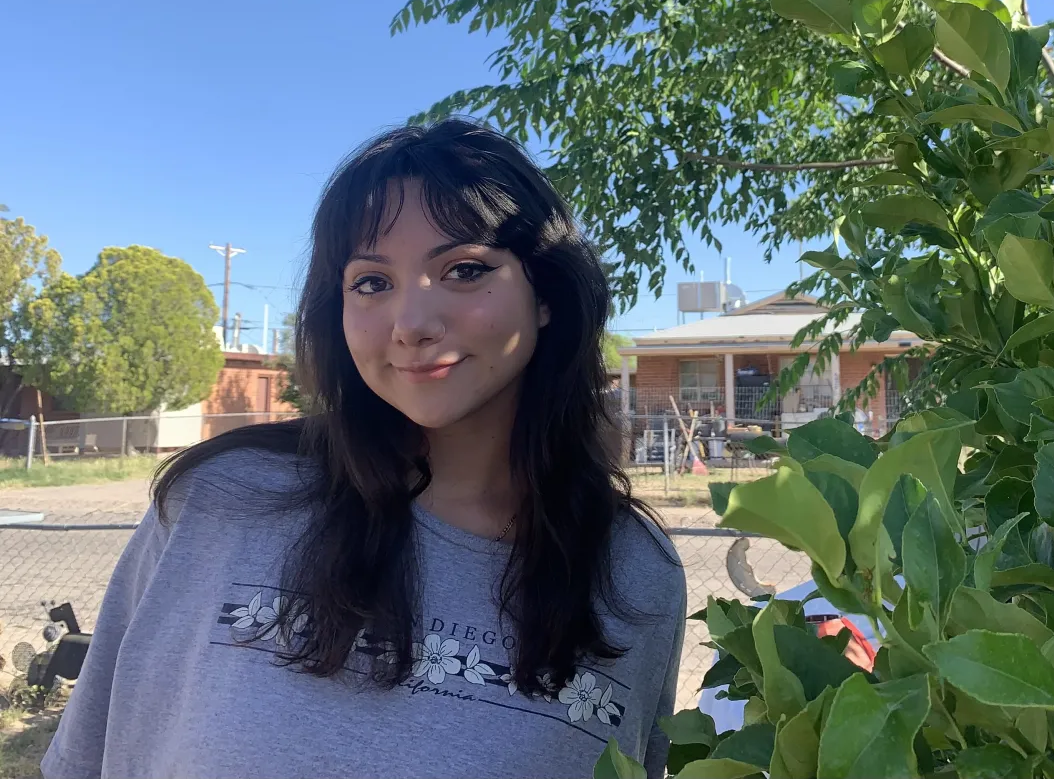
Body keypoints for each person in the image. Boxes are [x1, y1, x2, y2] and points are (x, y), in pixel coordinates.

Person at [42, 120, 686, 779]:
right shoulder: (216, 503)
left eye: (465, 269)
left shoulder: (636, 574)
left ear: (545, 294)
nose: (411, 324)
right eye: (372, 282)